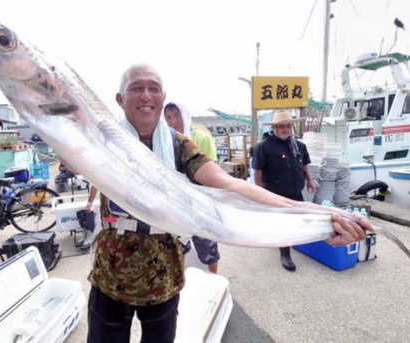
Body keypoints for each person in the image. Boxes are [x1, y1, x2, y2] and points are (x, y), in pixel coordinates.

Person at [86, 63, 371, 343]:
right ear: (120, 99)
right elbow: (66, 150)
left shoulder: (179, 145)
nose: (146, 96)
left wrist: (321, 212)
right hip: (110, 275)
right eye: (137, 88)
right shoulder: (101, 140)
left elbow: (228, 183)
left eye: (154, 89)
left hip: (163, 276)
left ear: (163, 97)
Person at [252, 111, 317, 272]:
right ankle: (285, 254)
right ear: (274, 127)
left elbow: (304, 166)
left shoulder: (299, 145)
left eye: (288, 126)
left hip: (296, 191)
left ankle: (284, 241)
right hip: (275, 193)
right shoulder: (263, 146)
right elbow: (257, 172)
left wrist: (309, 180)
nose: (285, 129)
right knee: (284, 224)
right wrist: (259, 194)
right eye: (281, 126)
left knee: (301, 220)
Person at [164, 101, 220, 273]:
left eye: (176, 115)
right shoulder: (165, 140)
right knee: (177, 244)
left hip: (200, 202)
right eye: (168, 117)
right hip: (176, 203)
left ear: (185, 115)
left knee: (207, 244)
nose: (173, 121)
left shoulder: (200, 137)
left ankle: (214, 277)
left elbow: (214, 171)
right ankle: (180, 280)